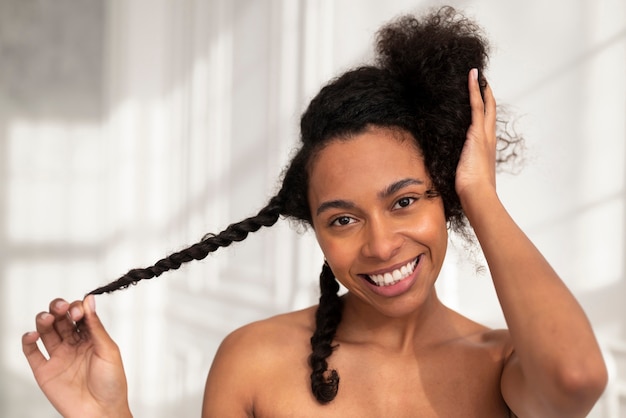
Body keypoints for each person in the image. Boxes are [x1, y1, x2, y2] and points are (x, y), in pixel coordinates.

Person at [22, 7, 607, 417]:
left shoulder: (503, 364)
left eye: (404, 201)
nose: (380, 246)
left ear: (446, 199)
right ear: (317, 230)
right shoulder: (252, 360)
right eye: (343, 219)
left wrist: (480, 192)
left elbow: (576, 379)